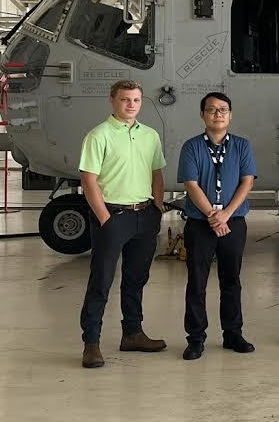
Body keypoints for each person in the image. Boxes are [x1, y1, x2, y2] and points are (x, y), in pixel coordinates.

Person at [77, 80, 168, 369]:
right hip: (113, 217)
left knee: (136, 279)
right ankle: (91, 343)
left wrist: (157, 205)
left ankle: (133, 333)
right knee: (101, 280)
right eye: (126, 99)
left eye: (137, 100)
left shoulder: (151, 136)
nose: (131, 105)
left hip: (144, 216)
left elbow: (157, 172)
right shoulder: (98, 135)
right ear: (113, 101)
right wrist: (105, 218)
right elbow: (88, 180)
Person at [177, 92, 258, 360]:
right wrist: (213, 215)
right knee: (197, 281)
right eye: (212, 110)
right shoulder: (191, 147)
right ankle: (196, 338)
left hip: (233, 222)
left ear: (230, 115)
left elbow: (247, 181)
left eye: (223, 110)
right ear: (203, 115)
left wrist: (226, 215)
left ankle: (233, 334)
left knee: (231, 281)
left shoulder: (242, 146)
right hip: (201, 224)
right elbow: (191, 184)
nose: (218, 114)